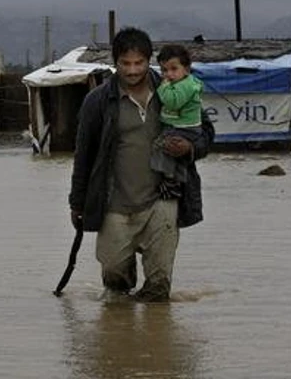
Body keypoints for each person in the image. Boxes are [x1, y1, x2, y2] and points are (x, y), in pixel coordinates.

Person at [69, 27, 214, 303]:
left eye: (139, 63)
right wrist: (76, 203)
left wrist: (190, 148)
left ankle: (151, 342)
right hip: (114, 203)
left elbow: (205, 134)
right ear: (115, 63)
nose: (132, 70)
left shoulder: (176, 92)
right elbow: (83, 155)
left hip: (163, 199)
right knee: (115, 282)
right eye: (125, 63)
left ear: (150, 62)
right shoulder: (97, 101)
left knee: (159, 288)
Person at [151, 44, 205, 200]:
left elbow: (173, 102)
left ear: (186, 69)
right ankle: (176, 180)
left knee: (161, 147)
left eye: (174, 69)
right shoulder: (179, 84)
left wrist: (162, 87)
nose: (168, 74)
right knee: (175, 155)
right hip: (180, 127)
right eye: (164, 70)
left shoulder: (186, 85)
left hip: (184, 129)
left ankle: (170, 180)